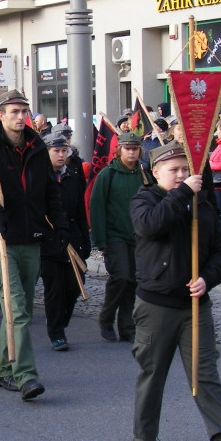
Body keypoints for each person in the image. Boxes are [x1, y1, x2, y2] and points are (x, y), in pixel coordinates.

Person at [130, 141, 221, 441]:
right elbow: (150, 225)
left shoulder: (202, 204)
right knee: (153, 372)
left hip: (195, 306)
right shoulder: (144, 199)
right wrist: (181, 195)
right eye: (173, 170)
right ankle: (144, 434)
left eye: (185, 169)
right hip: (156, 305)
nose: (180, 175)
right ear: (156, 171)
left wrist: (207, 277)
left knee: (204, 373)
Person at [0, 89, 67, 401]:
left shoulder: (38, 147)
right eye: (13, 111)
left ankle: (1, 371)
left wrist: (60, 225)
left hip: (32, 237)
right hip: (1, 238)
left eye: (23, 110)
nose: (20, 116)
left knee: (16, 310)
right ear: (0, 115)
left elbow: (50, 191)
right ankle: (25, 375)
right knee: (18, 309)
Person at [89, 131, 150, 343]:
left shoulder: (143, 175)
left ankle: (127, 325)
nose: (132, 152)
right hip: (115, 235)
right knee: (121, 276)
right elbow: (96, 206)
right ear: (119, 150)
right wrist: (100, 239)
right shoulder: (108, 174)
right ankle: (106, 317)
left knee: (133, 280)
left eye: (135, 149)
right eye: (128, 149)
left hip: (138, 236)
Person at [41, 133, 90, 351]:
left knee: (74, 286)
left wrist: (85, 239)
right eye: (56, 151)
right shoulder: (40, 178)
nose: (61, 155)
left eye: (64, 151)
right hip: (49, 240)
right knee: (55, 289)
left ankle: (61, 321)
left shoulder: (71, 176)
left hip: (72, 237)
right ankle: (56, 332)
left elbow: (79, 209)